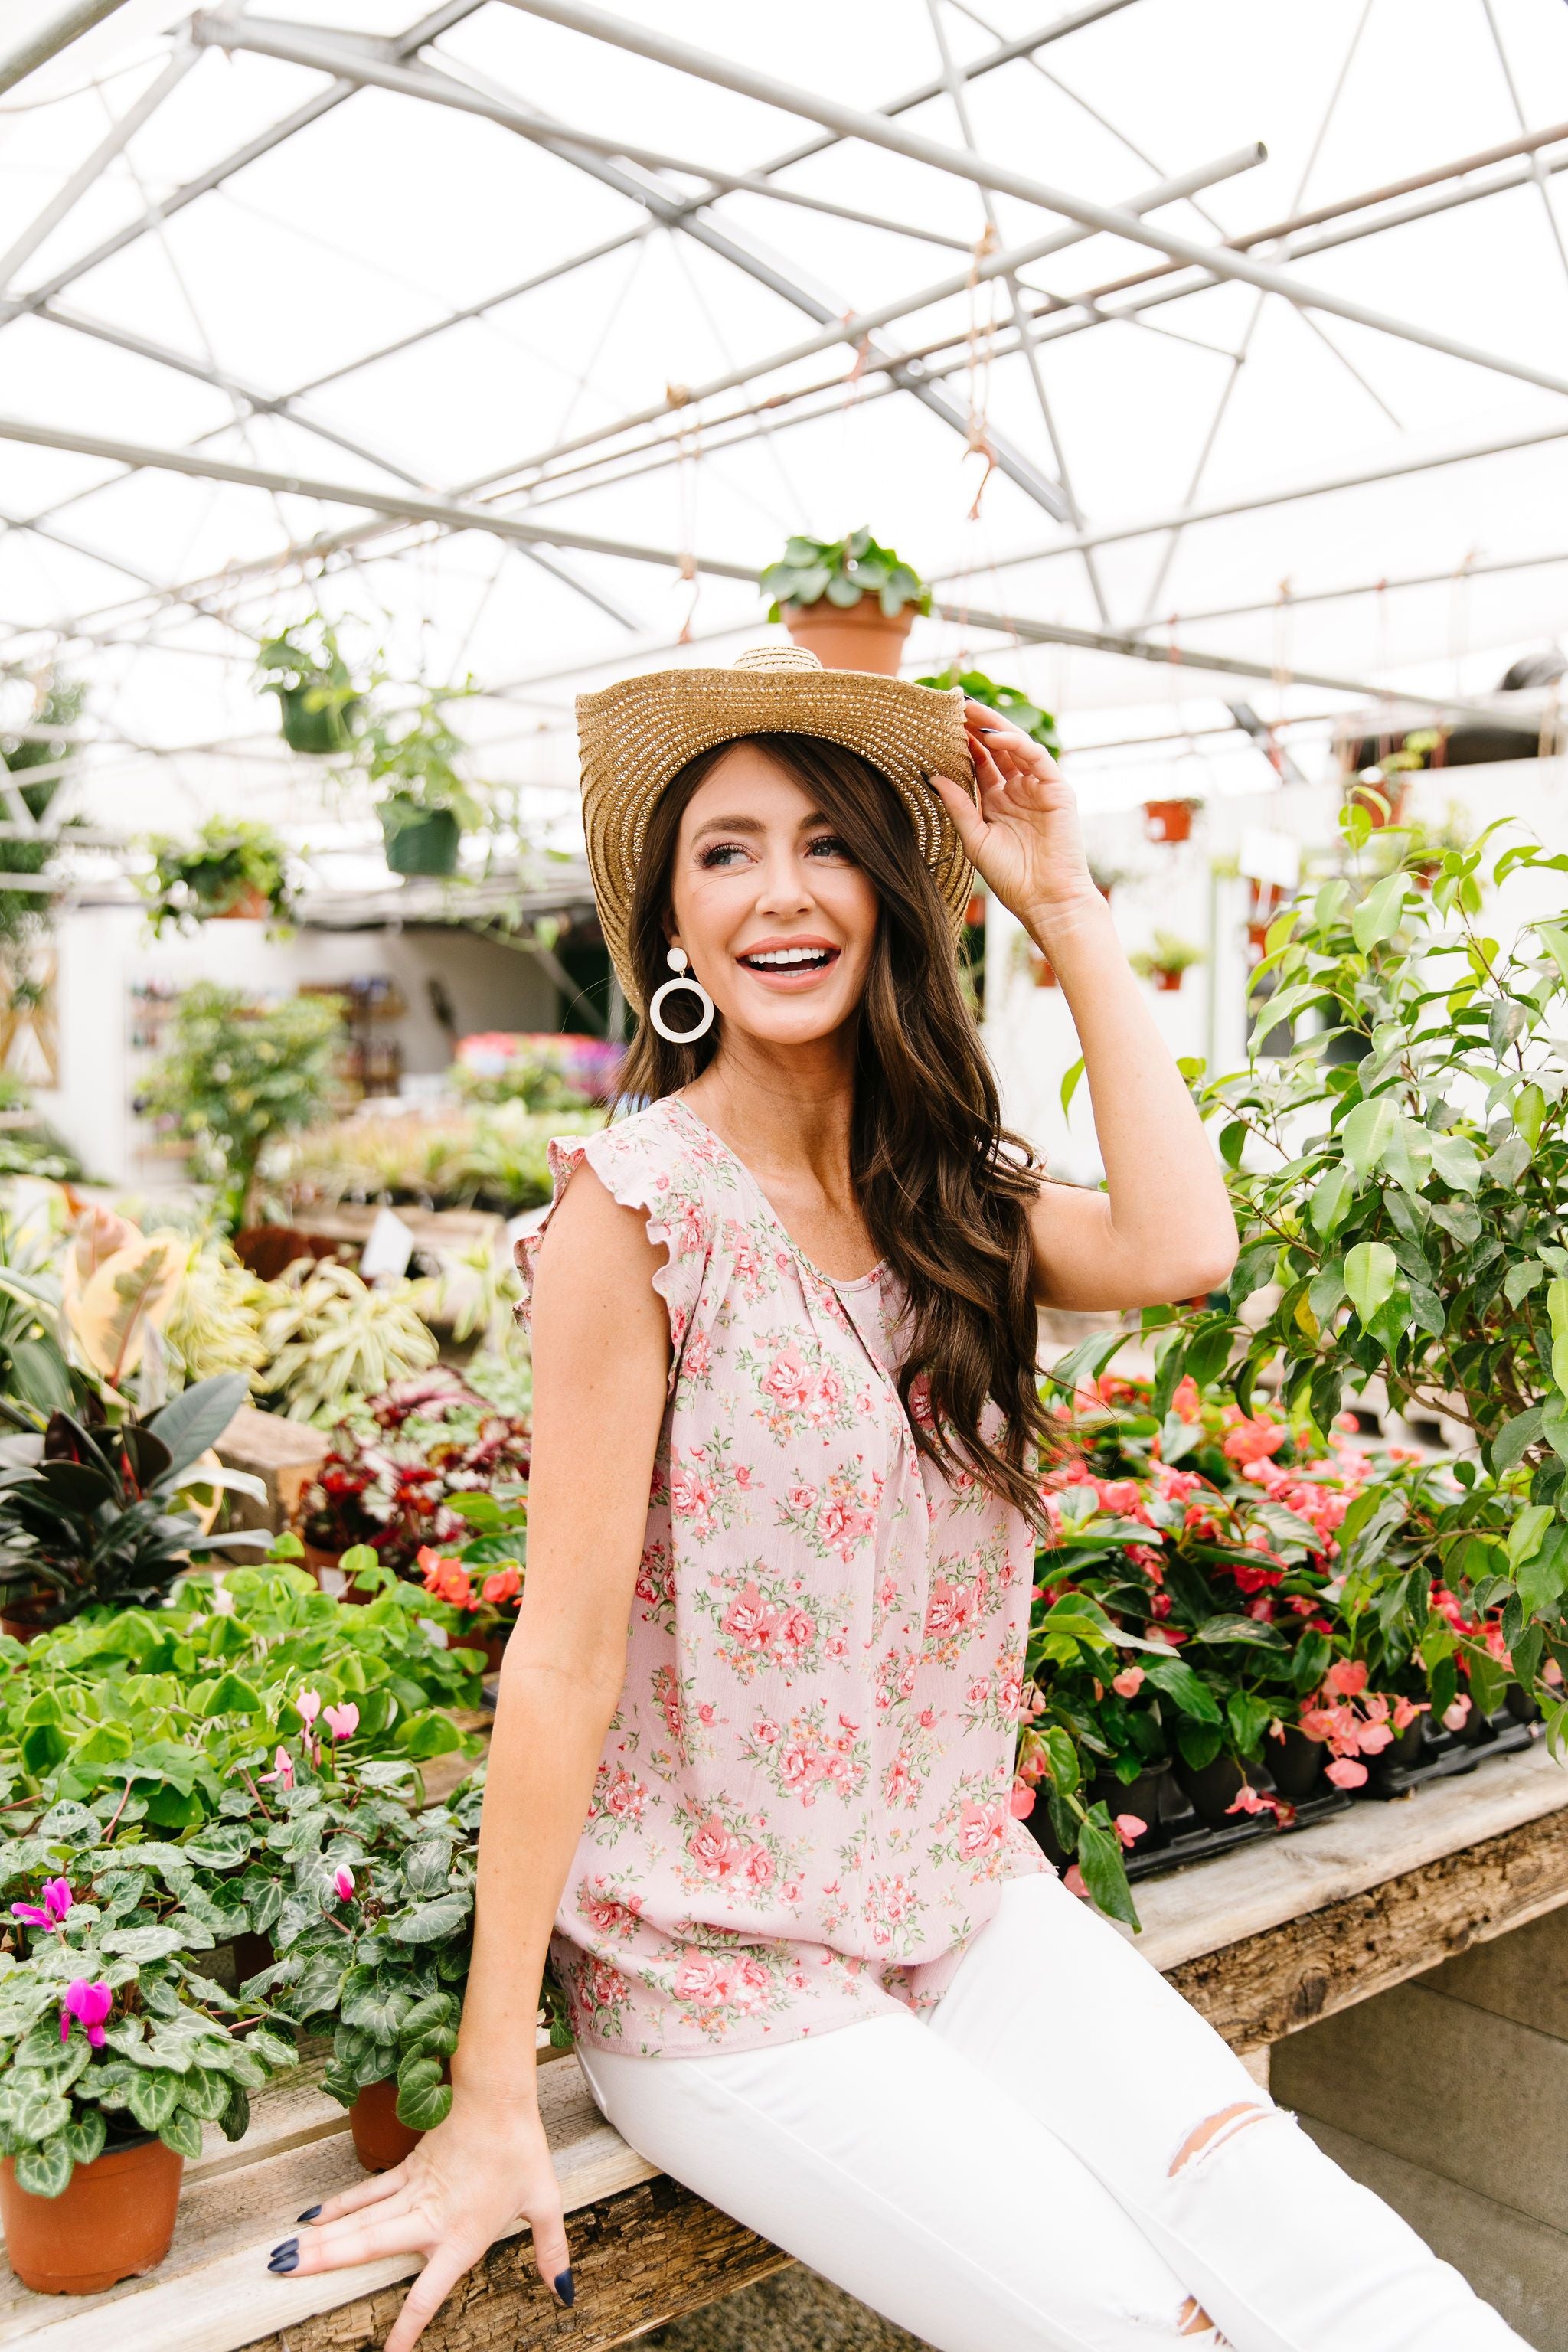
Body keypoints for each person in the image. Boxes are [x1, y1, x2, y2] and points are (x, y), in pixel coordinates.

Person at [276, 646, 1524, 2350]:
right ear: (670, 928)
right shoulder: (632, 1216)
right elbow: (557, 1662)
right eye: (725, 851)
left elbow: (1181, 1245)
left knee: (1333, 2255)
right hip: (720, 1969)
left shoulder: (952, 1196)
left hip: (954, 1891)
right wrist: (491, 2091)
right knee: (1145, 2331)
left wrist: (1069, 905)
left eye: (827, 844)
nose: (778, 893)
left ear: (891, 896)